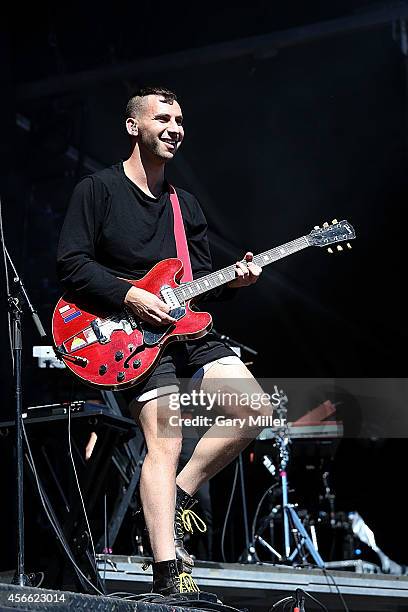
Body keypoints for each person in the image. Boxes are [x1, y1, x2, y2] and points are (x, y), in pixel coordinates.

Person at [57, 86, 274, 597]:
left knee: (254, 410)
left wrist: (235, 282)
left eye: (180, 119)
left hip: (184, 330)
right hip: (125, 335)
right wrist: (130, 294)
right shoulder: (98, 190)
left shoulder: (186, 205)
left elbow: (197, 284)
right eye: (164, 118)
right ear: (134, 126)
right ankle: (167, 570)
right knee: (165, 440)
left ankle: (176, 494)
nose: (175, 127)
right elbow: (71, 264)